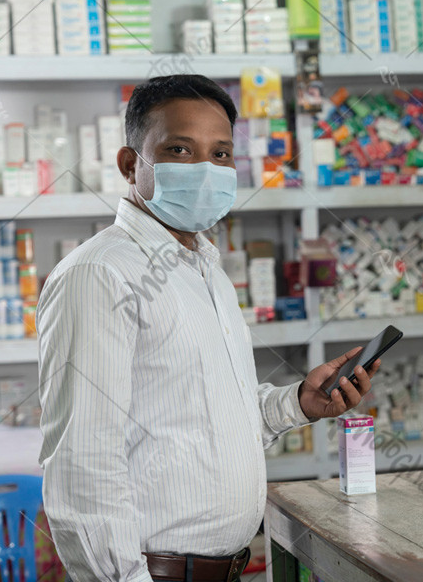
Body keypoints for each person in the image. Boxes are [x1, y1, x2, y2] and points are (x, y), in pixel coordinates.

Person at [38, 74, 379, 582]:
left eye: (221, 154)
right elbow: (81, 466)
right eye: (180, 149)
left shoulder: (205, 269)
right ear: (131, 165)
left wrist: (300, 404)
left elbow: (204, 424)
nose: (206, 169)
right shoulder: (101, 274)